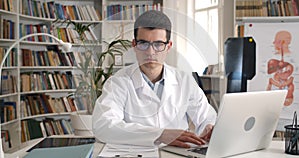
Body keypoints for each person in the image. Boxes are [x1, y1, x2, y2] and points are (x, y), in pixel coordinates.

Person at [92, 10, 217, 148]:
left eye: (158, 44)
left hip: (176, 153)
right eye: (143, 43)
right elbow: (103, 126)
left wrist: (208, 128)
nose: (150, 52)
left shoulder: (184, 81)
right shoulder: (118, 82)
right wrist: (160, 134)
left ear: (168, 46)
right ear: (134, 45)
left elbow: (206, 117)